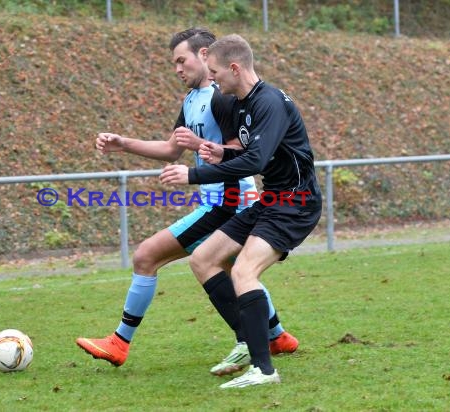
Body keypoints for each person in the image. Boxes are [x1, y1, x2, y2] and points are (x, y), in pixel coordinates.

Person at [76, 28, 298, 375]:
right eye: (174, 63)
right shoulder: (191, 100)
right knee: (232, 270)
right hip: (217, 200)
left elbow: (242, 150)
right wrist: (124, 144)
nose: (178, 69)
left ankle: (120, 342)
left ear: (205, 54)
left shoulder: (224, 97)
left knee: (148, 255)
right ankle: (276, 336)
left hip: (230, 200)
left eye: (182, 60)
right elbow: (171, 148)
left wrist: (197, 153)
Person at [160, 34, 322, 388]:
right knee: (203, 259)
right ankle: (249, 341)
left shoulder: (269, 103)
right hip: (272, 200)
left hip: (295, 202)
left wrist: (194, 174)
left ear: (234, 68)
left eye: (216, 72)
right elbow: (252, 153)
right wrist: (222, 153)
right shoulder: (242, 103)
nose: (213, 78)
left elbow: (257, 159)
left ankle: (263, 370)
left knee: (244, 272)